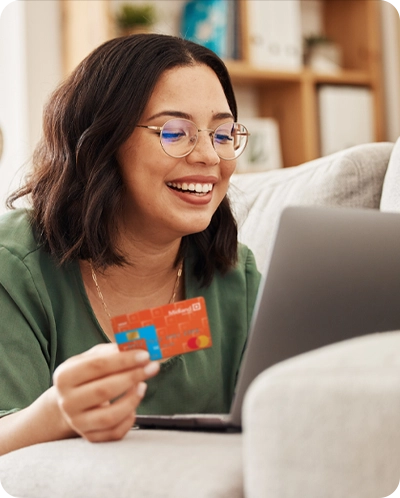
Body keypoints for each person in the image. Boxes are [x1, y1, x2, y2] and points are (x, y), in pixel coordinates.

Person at [0, 33, 261, 455]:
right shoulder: (14, 266)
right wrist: (54, 417)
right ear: (102, 141)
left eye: (223, 133)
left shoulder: (235, 276)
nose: (210, 156)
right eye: (175, 132)